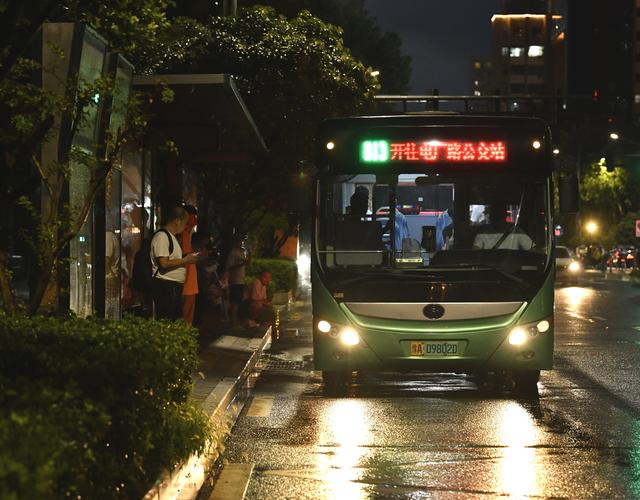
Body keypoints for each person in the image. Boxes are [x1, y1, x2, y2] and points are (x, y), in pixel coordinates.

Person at [150, 206, 199, 320]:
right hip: (166, 286)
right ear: (177, 221)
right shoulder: (162, 236)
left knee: (174, 320)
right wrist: (186, 260)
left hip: (173, 286)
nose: (185, 227)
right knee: (167, 320)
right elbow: (164, 263)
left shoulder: (171, 237)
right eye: (185, 223)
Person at [180, 205, 199, 325]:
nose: (196, 219)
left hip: (190, 283)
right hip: (185, 283)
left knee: (188, 316)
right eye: (194, 216)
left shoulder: (187, 234)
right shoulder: (182, 234)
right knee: (185, 316)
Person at [226, 235, 249, 328]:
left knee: (238, 300)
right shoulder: (233, 252)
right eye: (240, 241)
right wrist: (242, 264)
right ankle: (233, 321)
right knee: (234, 301)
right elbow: (230, 266)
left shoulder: (242, 252)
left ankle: (236, 320)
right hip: (235, 279)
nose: (241, 243)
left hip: (241, 279)